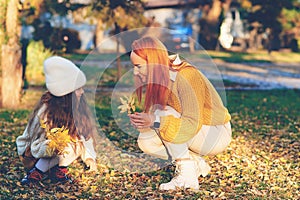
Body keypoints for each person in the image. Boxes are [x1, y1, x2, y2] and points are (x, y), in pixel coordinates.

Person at [128, 36, 232, 190]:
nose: (135, 72)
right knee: (146, 141)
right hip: (194, 131)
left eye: (138, 66)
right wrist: (145, 123)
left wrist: (155, 120)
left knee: (161, 114)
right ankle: (194, 163)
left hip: (214, 133)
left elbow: (192, 124)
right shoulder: (159, 78)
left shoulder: (186, 76)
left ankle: (187, 177)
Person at [16, 56, 97, 185]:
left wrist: (89, 158)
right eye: (78, 88)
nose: (82, 92)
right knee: (62, 143)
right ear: (67, 92)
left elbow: (84, 136)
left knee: (74, 141)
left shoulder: (77, 106)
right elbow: (34, 144)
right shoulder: (46, 110)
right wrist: (54, 146)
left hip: (52, 154)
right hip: (33, 153)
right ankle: (35, 173)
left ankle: (57, 169)